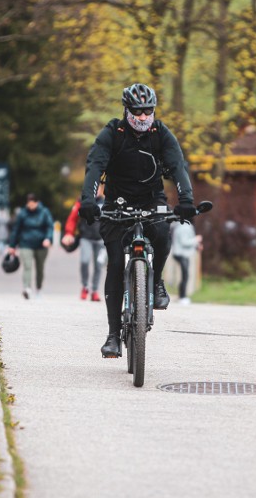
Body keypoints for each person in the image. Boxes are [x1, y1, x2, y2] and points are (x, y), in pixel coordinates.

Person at [79, 82, 197, 358]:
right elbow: (95, 165)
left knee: (162, 234)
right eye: (137, 111)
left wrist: (186, 200)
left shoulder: (161, 133)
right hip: (116, 204)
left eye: (148, 111)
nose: (143, 117)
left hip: (151, 199)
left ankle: (155, 283)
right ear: (127, 110)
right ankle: (112, 335)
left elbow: (178, 166)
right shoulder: (112, 133)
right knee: (116, 265)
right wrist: (87, 199)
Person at [63, 186, 107, 302]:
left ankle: (94, 291)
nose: (96, 191)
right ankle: (85, 287)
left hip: (101, 240)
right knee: (84, 261)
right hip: (86, 238)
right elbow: (72, 219)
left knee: (99, 265)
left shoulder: (106, 202)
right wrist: (69, 233)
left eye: (98, 188)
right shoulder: (81, 202)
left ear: (101, 190)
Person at [7, 193, 54, 299]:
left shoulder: (44, 212)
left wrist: (48, 238)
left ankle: (39, 288)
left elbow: (50, 227)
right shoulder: (23, 213)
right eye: (29, 204)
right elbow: (16, 230)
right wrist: (12, 245)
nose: (30, 206)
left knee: (40, 268)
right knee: (27, 266)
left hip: (41, 244)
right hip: (25, 243)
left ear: (37, 203)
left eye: (32, 204)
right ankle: (27, 288)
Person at [171, 220, 201, 305]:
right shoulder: (185, 227)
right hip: (182, 254)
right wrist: (196, 239)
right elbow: (184, 242)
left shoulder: (179, 226)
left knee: (184, 275)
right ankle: (182, 296)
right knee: (185, 275)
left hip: (180, 253)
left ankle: (182, 296)